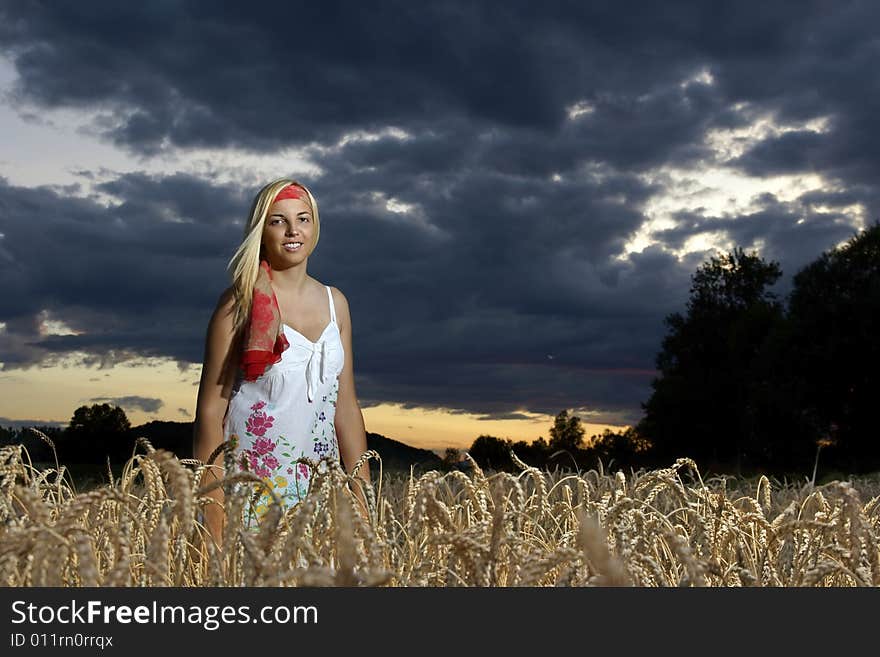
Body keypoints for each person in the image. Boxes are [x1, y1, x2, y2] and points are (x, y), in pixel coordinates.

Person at [193, 178, 371, 549]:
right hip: (252, 493)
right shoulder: (238, 305)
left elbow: (347, 409)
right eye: (278, 221)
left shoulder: (335, 302)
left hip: (319, 493)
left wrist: (363, 507)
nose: (293, 231)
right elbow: (211, 412)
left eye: (303, 219)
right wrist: (213, 522)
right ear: (262, 230)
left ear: (314, 226)